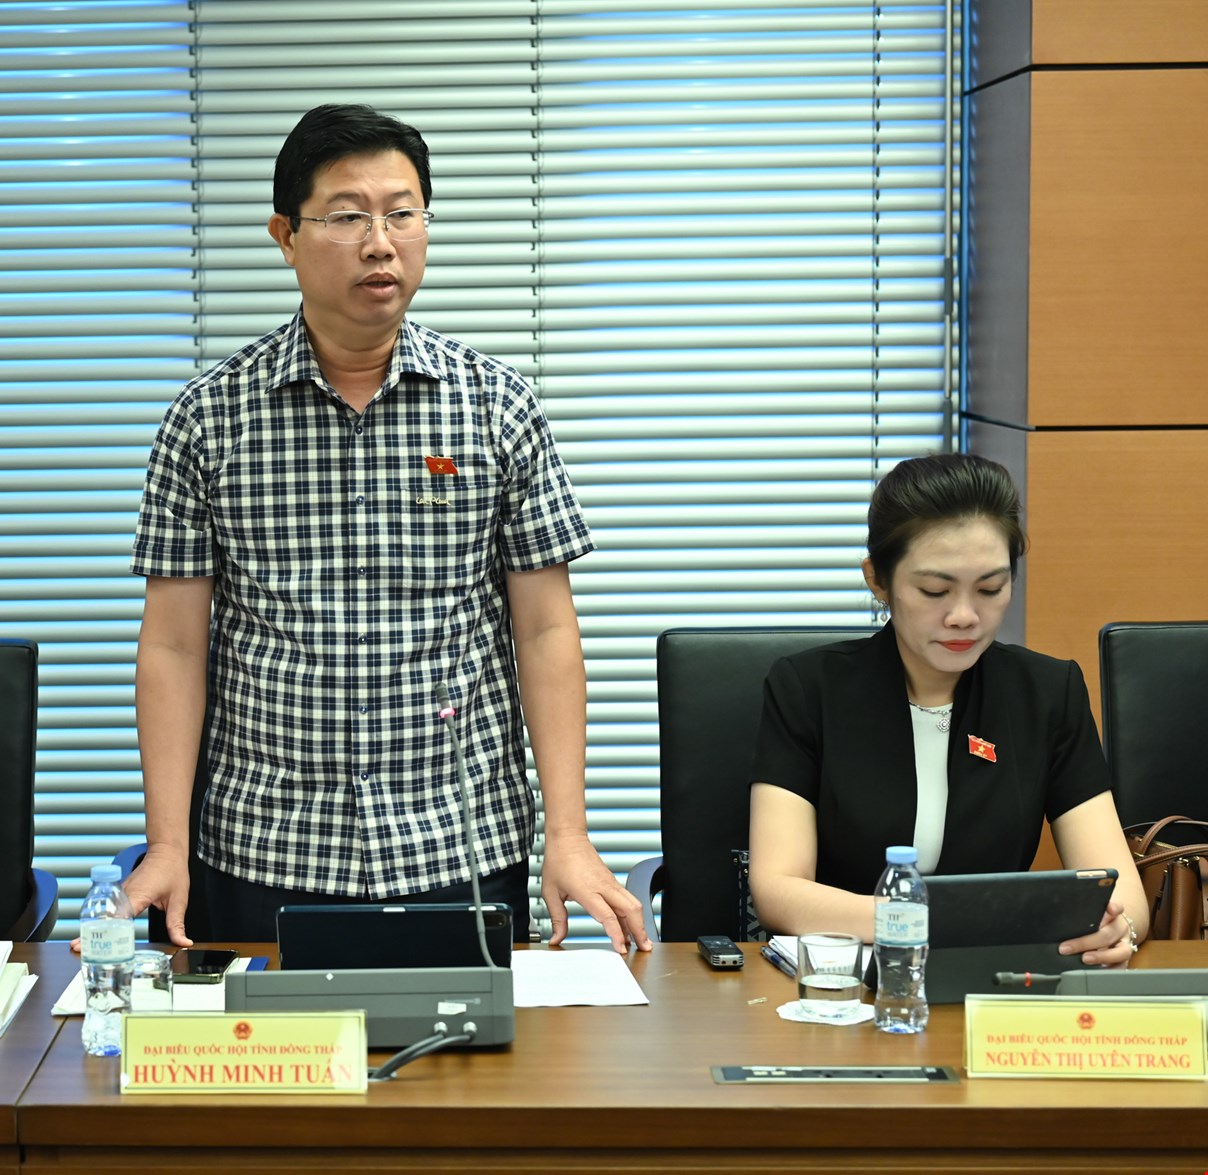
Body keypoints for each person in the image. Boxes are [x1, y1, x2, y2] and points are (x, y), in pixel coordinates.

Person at [122, 104, 650, 952]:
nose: (380, 242)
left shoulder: (497, 406)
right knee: (269, 1043)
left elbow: (546, 631)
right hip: (263, 844)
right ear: (286, 236)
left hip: (459, 841)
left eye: (403, 213)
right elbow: (175, 646)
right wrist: (168, 843)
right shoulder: (208, 419)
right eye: (347, 216)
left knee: (468, 1044)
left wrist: (568, 834)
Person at [748, 453, 1147, 964]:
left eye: (990, 589)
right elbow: (779, 889)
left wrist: (1119, 929)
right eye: (935, 590)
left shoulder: (1047, 693)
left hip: (995, 978)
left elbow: (1117, 887)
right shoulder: (808, 690)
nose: (964, 616)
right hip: (843, 977)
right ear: (878, 580)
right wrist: (937, 921)